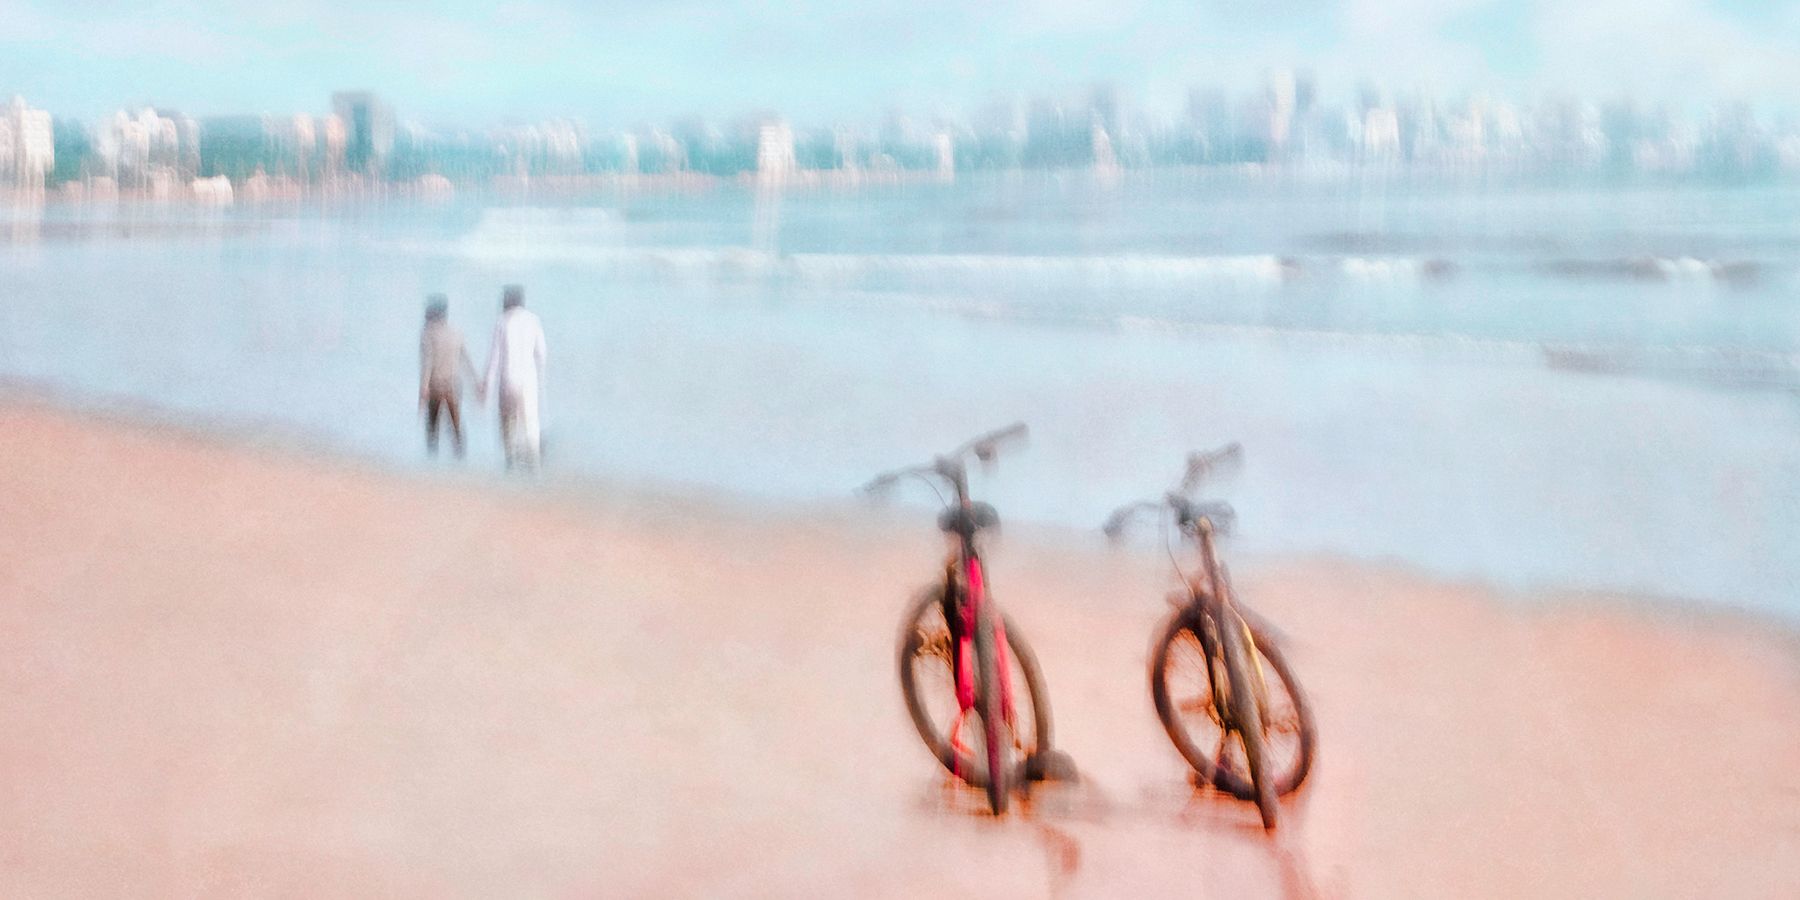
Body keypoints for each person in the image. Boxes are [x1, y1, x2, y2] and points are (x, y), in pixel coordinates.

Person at [481, 284, 547, 470]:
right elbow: (542, 353)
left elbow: (494, 358)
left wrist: (487, 385)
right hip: (528, 380)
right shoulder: (533, 320)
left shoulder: (502, 322)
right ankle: (533, 461)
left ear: (507, 302)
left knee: (507, 421)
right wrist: (541, 378)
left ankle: (510, 459)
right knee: (530, 421)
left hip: (507, 379)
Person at [419, 294, 478, 458]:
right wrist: (475, 381)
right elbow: (466, 360)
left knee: (433, 427)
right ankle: (460, 460)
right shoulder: (456, 333)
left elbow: (427, 362)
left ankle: (432, 462)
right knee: (456, 425)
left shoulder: (428, 334)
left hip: (435, 385)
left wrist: (424, 387)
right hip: (452, 384)